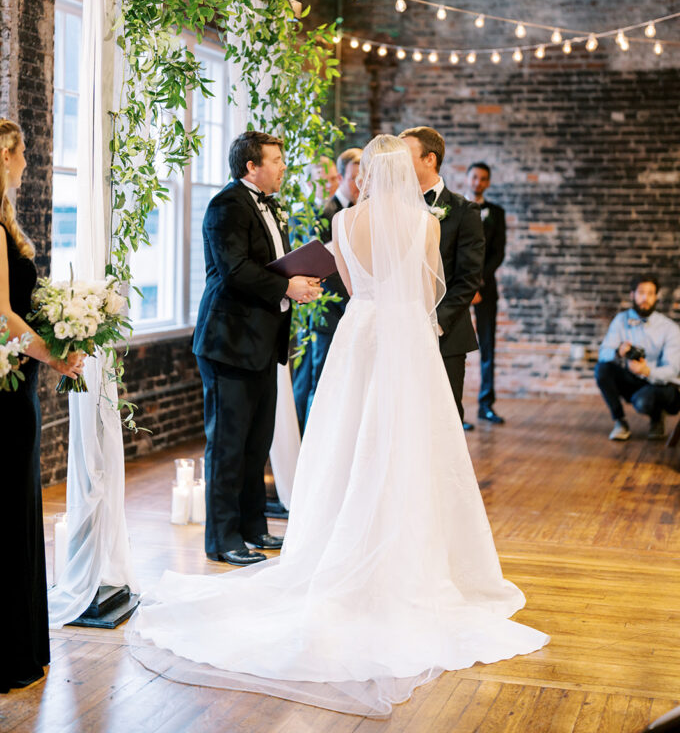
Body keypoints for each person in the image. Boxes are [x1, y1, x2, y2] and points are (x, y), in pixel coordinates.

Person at [129, 135, 547, 717]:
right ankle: (415, 555)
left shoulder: (347, 222)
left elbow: (352, 287)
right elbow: (430, 290)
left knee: (348, 443)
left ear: (368, 173)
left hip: (361, 335)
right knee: (413, 447)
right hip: (409, 340)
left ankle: (331, 542)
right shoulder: (427, 224)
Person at [192, 131, 321, 567]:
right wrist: (287, 285)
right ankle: (221, 538)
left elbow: (268, 265)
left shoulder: (267, 204)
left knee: (255, 442)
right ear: (252, 166)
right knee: (227, 444)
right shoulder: (226, 205)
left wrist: (300, 279)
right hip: (228, 341)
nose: (283, 166)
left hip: (263, 341)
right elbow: (235, 271)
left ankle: (252, 527)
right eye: (277, 159)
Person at [0, 120, 84, 694]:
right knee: (9, 515)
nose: (27, 163)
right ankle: (9, 654)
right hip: (5, 392)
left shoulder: (7, 222)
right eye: (22, 153)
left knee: (17, 510)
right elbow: (2, 316)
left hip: (16, 383)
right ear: (5, 155)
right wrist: (55, 355)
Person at [400, 127, 484, 430]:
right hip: (401, 332)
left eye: (404, 155)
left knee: (444, 419)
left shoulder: (464, 212)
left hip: (445, 334)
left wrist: (436, 323)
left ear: (429, 159)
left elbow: (469, 278)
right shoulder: (392, 210)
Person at [292, 147, 362, 431]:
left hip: (354, 312)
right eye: (354, 178)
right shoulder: (322, 214)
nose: (359, 185)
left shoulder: (361, 214)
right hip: (329, 312)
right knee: (319, 380)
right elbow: (319, 268)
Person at [595, 275, 680, 441]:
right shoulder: (621, 320)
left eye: (650, 293)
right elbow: (603, 353)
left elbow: (672, 370)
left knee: (643, 401)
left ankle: (657, 418)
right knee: (602, 368)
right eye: (641, 292)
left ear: (656, 297)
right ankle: (619, 421)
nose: (645, 298)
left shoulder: (670, 328)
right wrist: (618, 353)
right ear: (632, 295)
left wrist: (647, 370)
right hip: (632, 380)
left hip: (659, 384)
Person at [465, 161, 506, 424]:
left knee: (488, 346)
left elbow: (498, 253)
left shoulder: (497, 213)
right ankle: (453, 410)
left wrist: (478, 283)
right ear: (467, 178)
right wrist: (467, 285)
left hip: (486, 288)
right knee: (452, 348)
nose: (478, 182)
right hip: (458, 288)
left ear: (488, 183)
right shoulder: (453, 209)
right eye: (474, 177)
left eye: (483, 179)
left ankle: (486, 404)